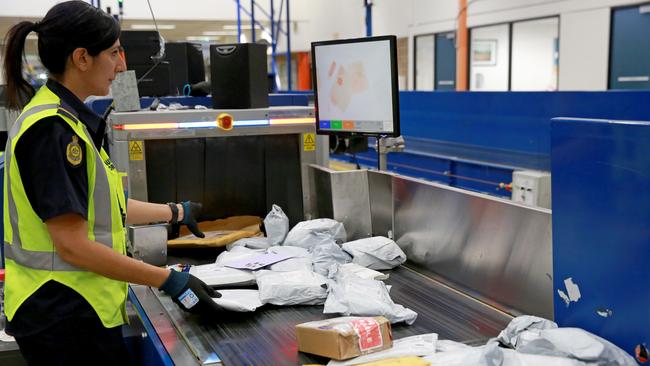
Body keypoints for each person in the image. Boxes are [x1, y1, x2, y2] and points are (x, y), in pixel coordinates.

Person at [2, 2, 222, 364]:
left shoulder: (68, 119)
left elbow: (100, 200)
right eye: (114, 52)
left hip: (74, 308)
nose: (121, 65)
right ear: (81, 58)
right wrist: (166, 279)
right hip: (61, 314)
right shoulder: (53, 130)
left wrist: (174, 211)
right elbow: (72, 246)